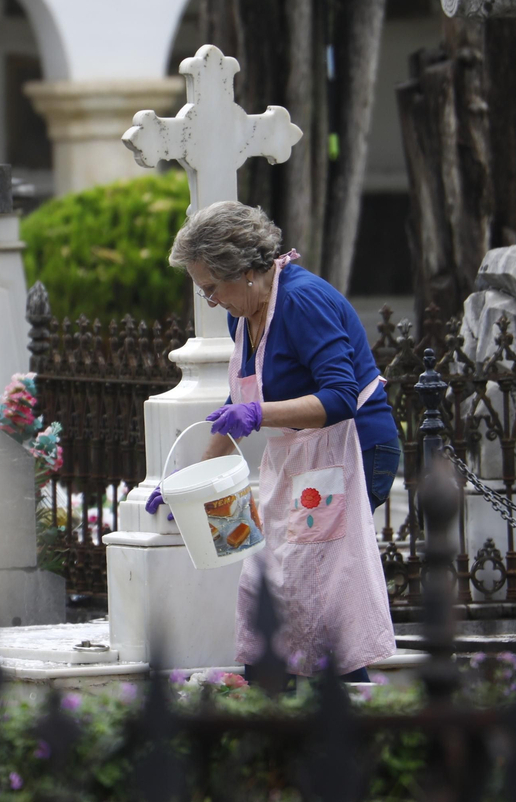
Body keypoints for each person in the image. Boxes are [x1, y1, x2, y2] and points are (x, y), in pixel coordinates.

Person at [169, 200, 397, 683]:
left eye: (211, 288)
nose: (211, 301)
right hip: (302, 457)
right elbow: (237, 407)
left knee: (314, 585)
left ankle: (340, 699)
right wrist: (190, 485)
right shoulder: (243, 315)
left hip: (354, 451)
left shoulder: (302, 301)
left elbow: (341, 397)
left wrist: (258, 413)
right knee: (266, 580)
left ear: (246, 272)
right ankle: (271, 696)